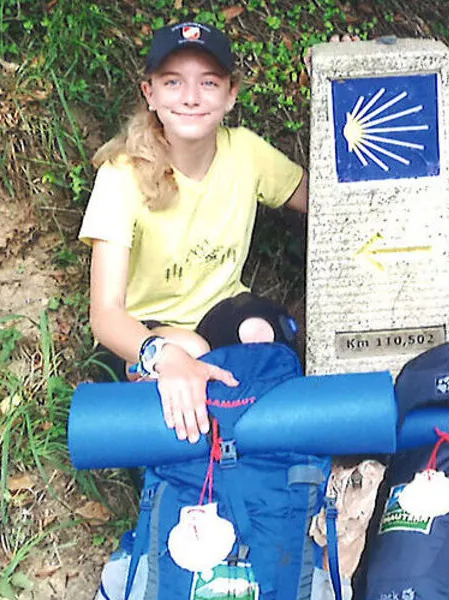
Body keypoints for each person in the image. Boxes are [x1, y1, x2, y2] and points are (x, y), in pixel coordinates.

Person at [80, 21, 325, 444]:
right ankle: (193, 467)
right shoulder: (121, 175)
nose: (191, 97)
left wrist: (340, 80)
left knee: (260, 332)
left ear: (230, 94)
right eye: (173, 82)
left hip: (221, 313)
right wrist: (163, 355)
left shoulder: (245, 151)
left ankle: (262, 452)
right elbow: (106, 316)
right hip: (144, 333)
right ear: (150, 93)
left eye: (208, 83)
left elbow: (334, 201)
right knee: (189, 354)